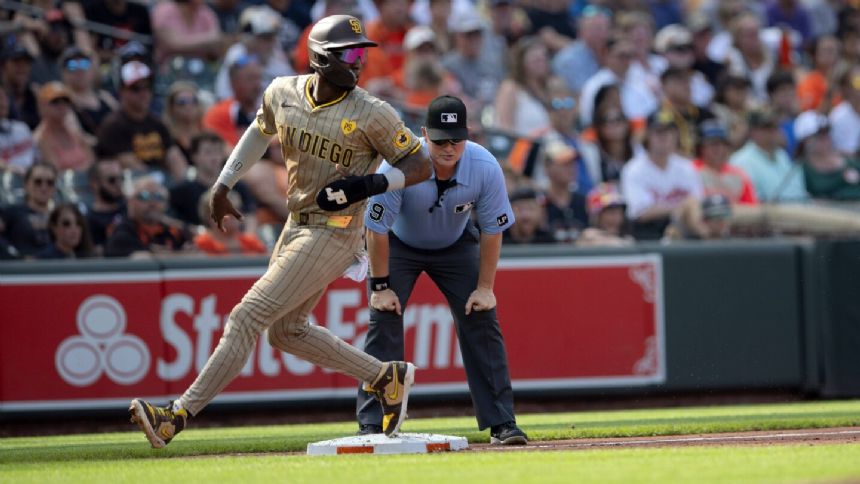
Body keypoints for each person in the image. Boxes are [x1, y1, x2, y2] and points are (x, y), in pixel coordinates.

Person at [128, 14, 431, 448]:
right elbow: (258, 132)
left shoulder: (374, 112)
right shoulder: (282, 91)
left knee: (246, 317)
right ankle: (385, 377)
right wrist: (223, 183)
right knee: (285, 331)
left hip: (337, 228)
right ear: (320, 59)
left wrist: (368, 184)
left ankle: (175, 416)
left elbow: (419, 165)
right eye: (352, 53)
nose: (361, 61)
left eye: (364, 52)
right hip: (296, 222)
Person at [356, 95, 526, 444]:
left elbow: (493, 230)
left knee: (481, 316)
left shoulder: (485, 165)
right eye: (440, 140)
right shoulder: (397, 166)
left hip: (456, 243)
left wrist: (485, 287)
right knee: (384, 316)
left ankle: (503, 424)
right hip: (399, 245)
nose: (449, 148)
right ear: (423, 134)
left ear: (468, 135)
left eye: (456, 139)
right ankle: (373, 424)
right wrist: (380, 287)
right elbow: (376, 229)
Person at [620, 109, 705, 240]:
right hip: (649, 232)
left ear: (676, 135)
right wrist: (680, 207)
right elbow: (639, 213)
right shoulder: (633, 169)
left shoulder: (687, 167)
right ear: (647, 136)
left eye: (669, 132)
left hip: (684, 228)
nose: (664, 137)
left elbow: (698, 204)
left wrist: (682, 209)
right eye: (659, 132)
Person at [96, 60, 187, 181]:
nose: (144, 93)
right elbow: (130, 164)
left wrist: (181, 181)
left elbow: (174, 156)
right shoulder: (113, 125)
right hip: (133, 186)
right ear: (122, 91)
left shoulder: (157, 123)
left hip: (163, 182)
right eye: (136, 88)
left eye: (148, 87)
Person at [104, 176, 191, 258]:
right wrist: (179, 255)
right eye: (144, 196)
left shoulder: (176, 231)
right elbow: (136, 260)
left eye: (158, 197)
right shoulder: (122, 232)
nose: (152, 202)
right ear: (130, 202)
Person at [33, 81, 95, 172]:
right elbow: (55, 172)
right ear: (42, 106)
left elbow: (92, 159)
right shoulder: (40, 138)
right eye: (55, 102)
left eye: (65, 101)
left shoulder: (73, 129)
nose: (61, 106)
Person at [1, 162, 58, 258]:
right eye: (38, 182)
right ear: (26, 185)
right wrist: (15, 257)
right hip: (21, 270)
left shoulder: (61, 216)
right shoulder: (11, 213)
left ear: (55, 188)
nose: (44, 187)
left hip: (57, 269)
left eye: (50, 182)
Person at [85, 157, 126, 254]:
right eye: (112, 180)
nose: (118, 184)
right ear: (95, 184)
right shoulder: (88, 220)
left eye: (121, 178)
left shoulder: (131, 210)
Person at [577, 182, 634, 247]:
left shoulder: (627, 238)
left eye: (619, 213)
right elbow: (589, 238)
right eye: (611, 213)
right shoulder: (588, 236)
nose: (616, 218)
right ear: (596, 216)